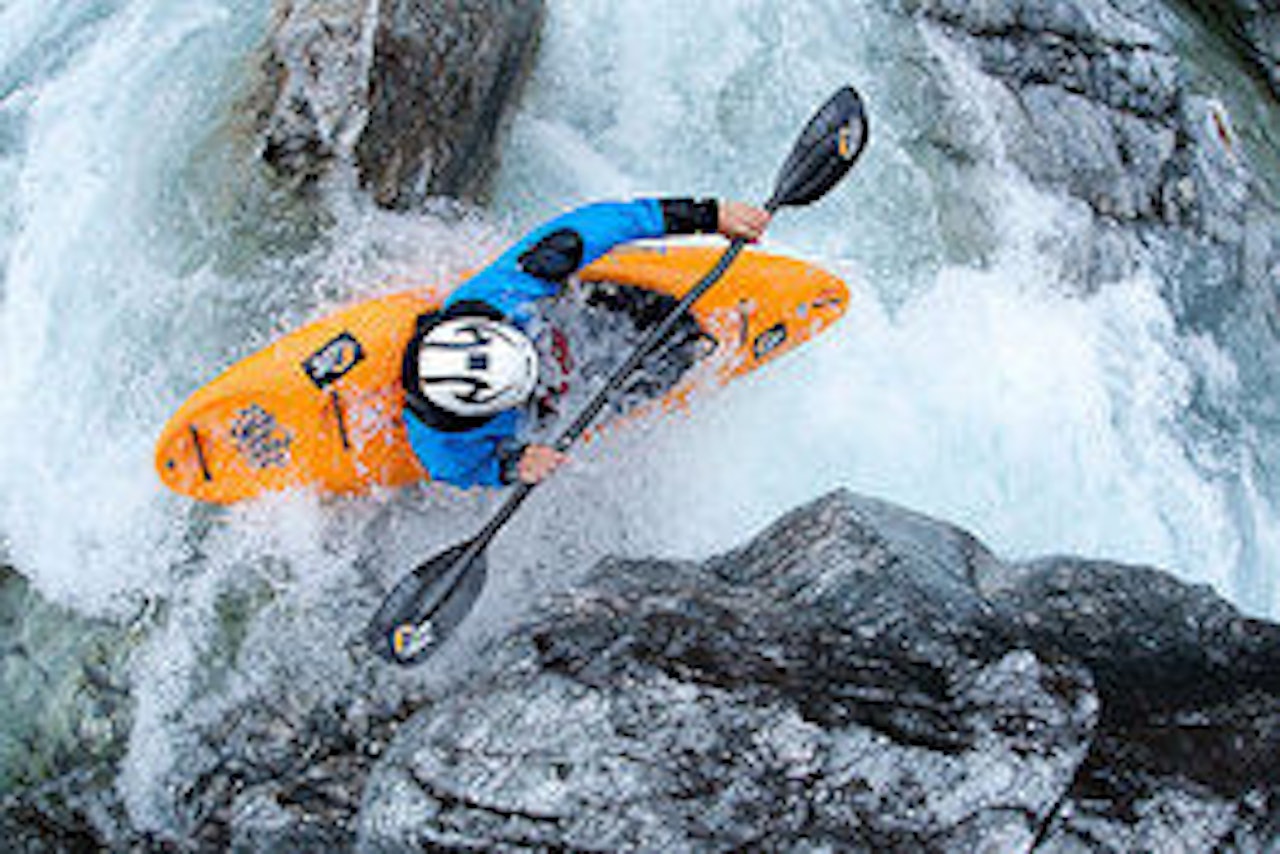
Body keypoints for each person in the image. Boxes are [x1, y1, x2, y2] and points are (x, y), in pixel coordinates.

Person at [401, 197, 771, 488]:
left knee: (605, 295)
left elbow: (590, 228)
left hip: (576, 328)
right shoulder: (445, 445)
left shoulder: (497, 297)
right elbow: (460, 472)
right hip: (556, 401)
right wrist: (509, 466)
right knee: (668, 364)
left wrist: (704, 215)